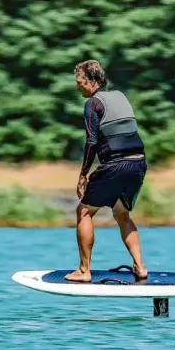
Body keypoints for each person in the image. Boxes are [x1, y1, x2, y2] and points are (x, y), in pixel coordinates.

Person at [65, 59, 148, 282]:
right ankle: (140, 267)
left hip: (116, 164)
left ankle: (84, 271)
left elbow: (91, 141)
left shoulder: (93, 104)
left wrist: (83, 174)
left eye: (80, 81)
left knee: (84, 211)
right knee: (122, 213)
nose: (77, 86)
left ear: (92, 81)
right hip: (138, 163)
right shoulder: (120, 96)